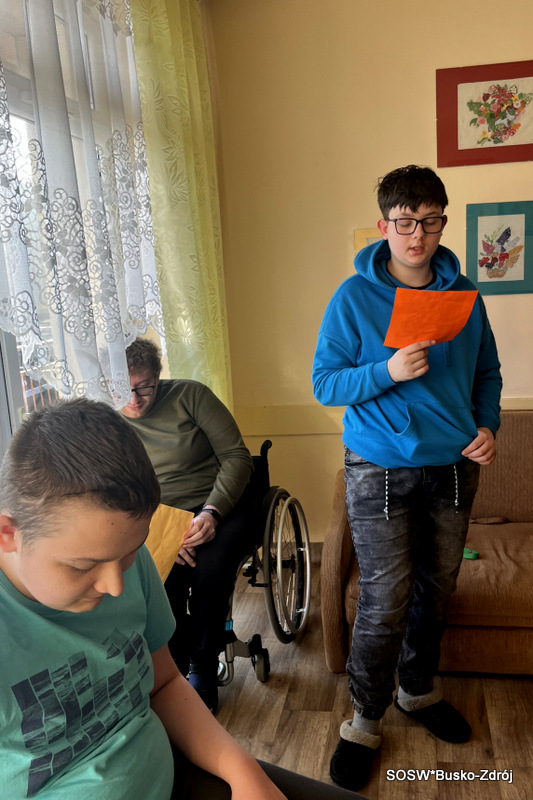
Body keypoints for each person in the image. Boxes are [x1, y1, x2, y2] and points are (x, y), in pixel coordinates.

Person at [0, 398, 368, 800]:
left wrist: (244, 773)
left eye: (129, 555)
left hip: (165, 769)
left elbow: (163, 684)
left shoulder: (126, 559)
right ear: (8, 534)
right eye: (82, 566)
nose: (117, 587)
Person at [312, 165, 502, 792]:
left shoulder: (465, 295)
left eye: (429, 221)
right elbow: (325, 384)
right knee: (384, 597)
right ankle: (364, 720)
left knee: (437, 587)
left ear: (443, 222)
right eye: (404, 222)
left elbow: (487, 373)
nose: (417, 234)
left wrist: (488, 424)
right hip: (380, 467)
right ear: (384, 226)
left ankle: (416, 691)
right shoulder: (352, 298)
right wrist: (386, 371)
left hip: (454, 466)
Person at [120, 338, 254, 714]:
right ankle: (174, 668)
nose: (134, 399)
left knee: (210, 572)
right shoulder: (108, 421)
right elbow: (111, 488)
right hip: (156, 516)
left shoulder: (190, 396)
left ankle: (203, 666)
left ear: (158, 378)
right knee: (161, 579)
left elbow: (236, 457)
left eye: (144, 387)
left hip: (218, 503)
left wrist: (211, 512)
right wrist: (162, 530)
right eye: (125, 389)